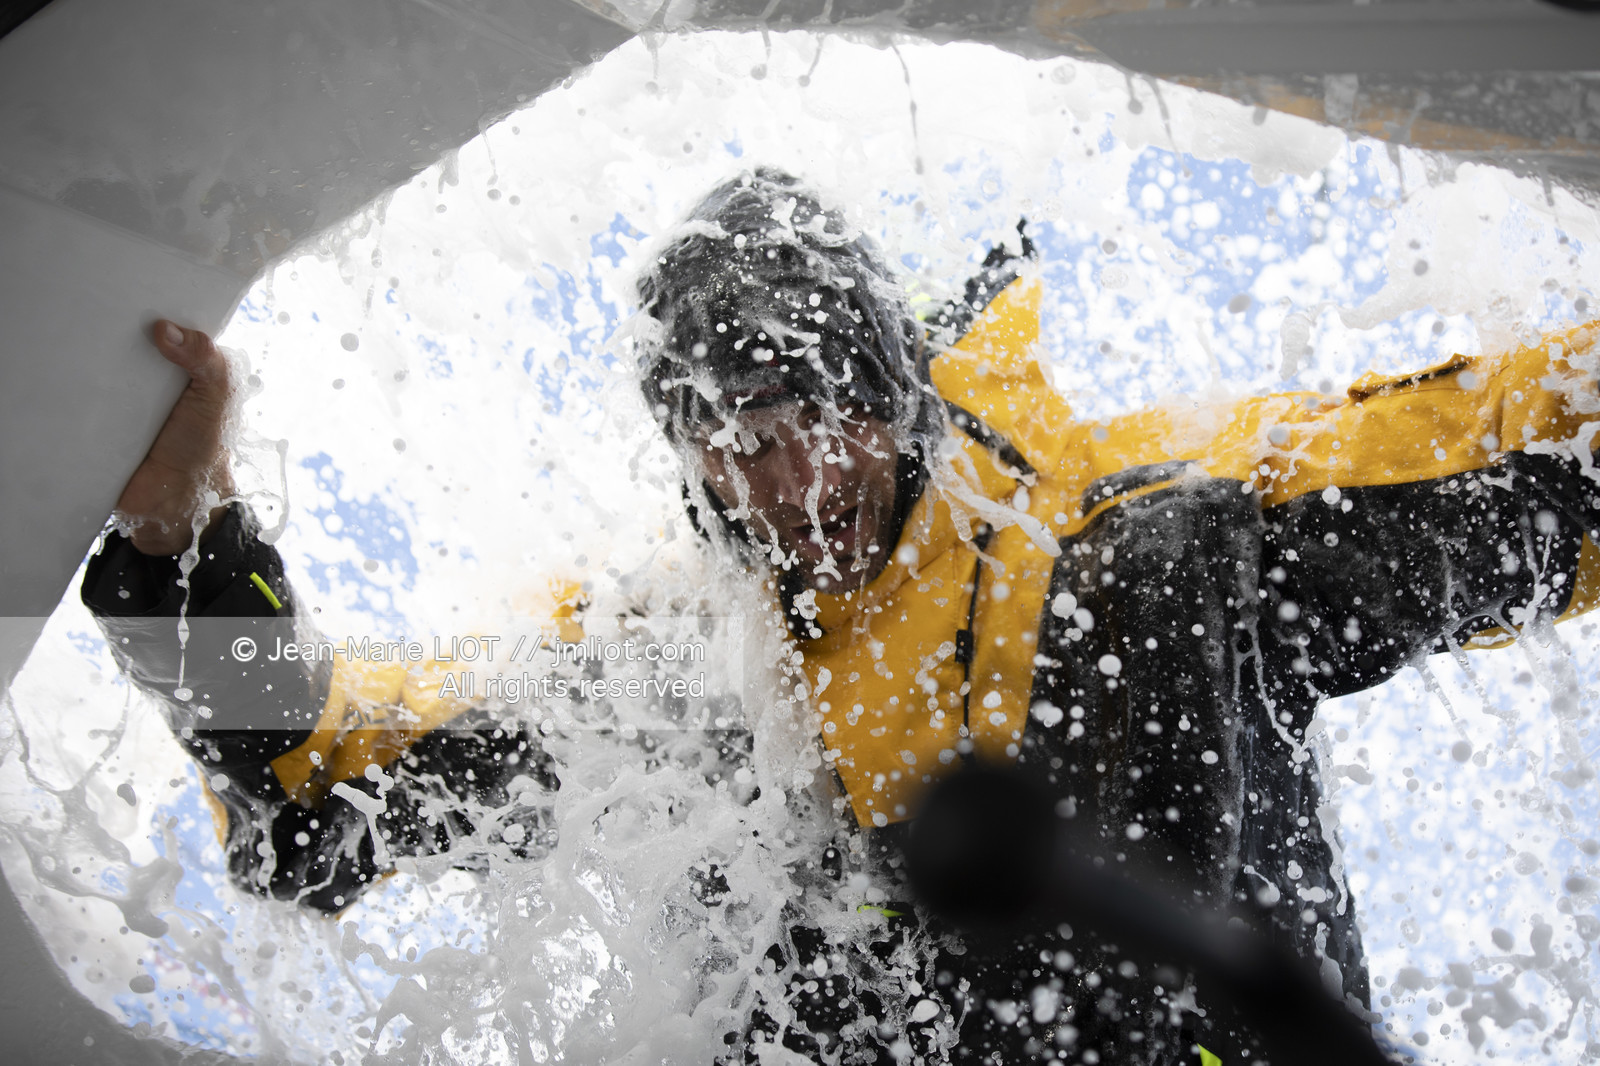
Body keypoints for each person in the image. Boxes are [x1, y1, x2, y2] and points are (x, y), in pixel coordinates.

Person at [85, 167, 1600, 1064]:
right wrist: (181, 538)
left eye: (804, 414)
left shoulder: (1138, 531)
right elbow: (312, 788)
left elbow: (1535, 456)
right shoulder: (678, 672)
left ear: (886, 386)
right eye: (726, 442)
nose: (781, 481)